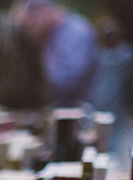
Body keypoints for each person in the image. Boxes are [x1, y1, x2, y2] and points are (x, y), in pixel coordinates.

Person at [11, 0, 99, 107]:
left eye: (28, 25)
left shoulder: (75, 33)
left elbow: (67, 83)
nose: (29, 32)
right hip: (62, 110)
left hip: (80, 113)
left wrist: (27, 86)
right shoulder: (52, 34)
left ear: (41, 11)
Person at [91, 17, 132, 152]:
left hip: (104, 97)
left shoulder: (98, 55)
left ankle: (106, 152)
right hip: (114, 98)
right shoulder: (127, 56)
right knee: (112, 129)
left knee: (107, 129)